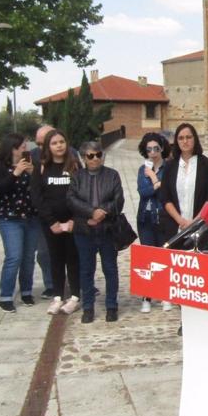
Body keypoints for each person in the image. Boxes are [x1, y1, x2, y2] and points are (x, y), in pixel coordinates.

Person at [68, 141, 125, 323]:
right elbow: (71, 200)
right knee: (86, 270)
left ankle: (111, 306)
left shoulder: (112, 175)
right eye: (90, 156)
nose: (95, 159)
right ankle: (88, 308)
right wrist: (90, 213)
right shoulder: (77, 177)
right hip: (84, 230)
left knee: (110, 269)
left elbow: (119, 200)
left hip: (107, 229)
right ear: (84, 158)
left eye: (98, 155)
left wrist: (102, 213)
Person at [32, 128, 81, 315]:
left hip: (71, 223)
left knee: (73, 259)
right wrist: (51, 222)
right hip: (51, 225)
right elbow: (37, 197)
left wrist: (73, 221)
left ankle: (75, 296)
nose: (59, 145)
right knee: (56, 259)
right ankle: (58, 296)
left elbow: (81, 194)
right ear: (48, 147)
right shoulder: (42, 167)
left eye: (61, 142)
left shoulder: (74, 166)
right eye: (54, 143)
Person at [0, 133, 40, 313]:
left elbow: (40, 188)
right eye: (22, 147)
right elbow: (0, 188)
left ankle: (26, 291)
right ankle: (6, 295)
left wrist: (33, 174)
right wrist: (16, 173)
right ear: (12, 148)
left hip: (32, 217)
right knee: (14, 257)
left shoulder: (30, 165)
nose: (26, 150)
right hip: (10, 218)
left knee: (28, 257)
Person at [158, 122, 208, 259]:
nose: (185, 141)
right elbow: (165, 197)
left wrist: (194, 222)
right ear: (176, 141)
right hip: (174, 228)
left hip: (200, 229)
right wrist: (180, 220)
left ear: (195, 139)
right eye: (181, 138)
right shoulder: (169, 166)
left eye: (188, 137)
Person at [135, 132, 169, 313]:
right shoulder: (143, 169)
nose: (153, 152)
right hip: (145, 218)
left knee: (162, 256)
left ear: (162, 148)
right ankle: (147, 296)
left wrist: (154, 179)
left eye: (156, 148)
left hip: (162, 217)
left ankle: (164, 294)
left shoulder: (168, 168)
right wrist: (156, 184)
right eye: (149, 149)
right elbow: (143, 192)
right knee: (147, 258)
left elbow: (165, 192)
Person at [30, 124, 56, 298]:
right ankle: (51, 284)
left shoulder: (70, 154)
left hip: (66, 212)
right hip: (41, 213)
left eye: (43, 143)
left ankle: (80, 283)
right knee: (44, 252)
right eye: (37, 143)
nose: (40, 148)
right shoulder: (33, 156)